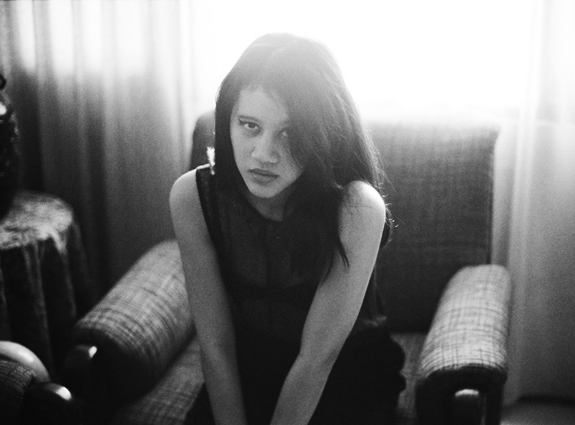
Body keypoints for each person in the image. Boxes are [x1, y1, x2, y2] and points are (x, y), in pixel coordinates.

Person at [170, 33, 405, 425]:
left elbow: (317, 358)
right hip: (249, 372)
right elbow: (216, 346)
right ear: (227, 121)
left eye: (290, 132)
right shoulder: (192, 197)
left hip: (345, 376)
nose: (264, 154)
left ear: (324, 135)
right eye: (249, 125)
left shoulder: (358, 208)